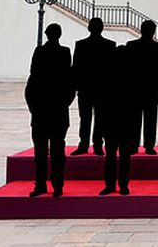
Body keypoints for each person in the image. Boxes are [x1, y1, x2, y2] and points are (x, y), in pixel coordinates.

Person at [25, 23, 74, 197]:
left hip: (41, 110)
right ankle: (57, 184)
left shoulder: (40, 54)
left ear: (46, 34)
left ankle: (40, 184)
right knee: (58, 150)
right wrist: (65, 103)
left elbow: (30, 87)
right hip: (58, 110)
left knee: (41, 151)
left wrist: (34, 108)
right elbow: (70, 83)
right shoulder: (65, 53)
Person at [70, 17, 116, 156]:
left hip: (85, 88)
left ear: (89, 28)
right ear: (102, 28)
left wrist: (75, 86)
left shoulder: (81, 45)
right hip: (102, 88)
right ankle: (97, 145)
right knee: (100, 119)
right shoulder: (110, 45)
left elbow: (76, 68)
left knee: (85, 118)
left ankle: (83, 144)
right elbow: (112, 69)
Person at [100, 45, 139, 196]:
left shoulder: (108, 77)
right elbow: (135, 104)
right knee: (124, 156)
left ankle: (110, 185)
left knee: (110, 155)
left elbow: (102, 103)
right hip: (125, 121)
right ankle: (123, 184)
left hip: (111, 120)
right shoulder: (131, 78)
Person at [125, 20, 158, 155]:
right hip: (152, 85)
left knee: (134, 117)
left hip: (135, 85)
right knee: (151, 117)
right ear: (153, 31)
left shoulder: (131, 45)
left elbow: (128, 65)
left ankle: (133, 144)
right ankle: (149, 145)